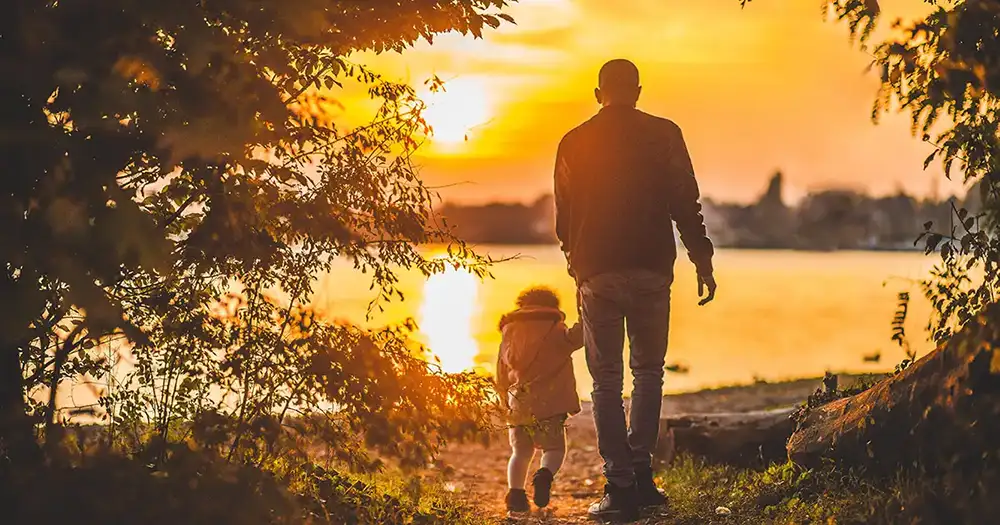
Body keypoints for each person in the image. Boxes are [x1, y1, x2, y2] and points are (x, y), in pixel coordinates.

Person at [554, 59, 717, 521]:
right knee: (649, 373)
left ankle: (620, 483)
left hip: (597, 271)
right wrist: (701, 257)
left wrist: (575, 260)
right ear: (638, 91)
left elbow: (564, 213)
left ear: (597, 92)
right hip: (650, 267)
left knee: (606, 380)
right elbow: (686, 200)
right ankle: (642, 475)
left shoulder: (573, 141)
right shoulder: (664, 134)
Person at [495, 287, 585, 514]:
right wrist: (585, 310)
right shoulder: (556, 329)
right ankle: (544, 476)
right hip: (551, 406)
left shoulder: (509, 332)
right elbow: (580, 337)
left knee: (520, 453)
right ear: (552, 307)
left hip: (518, 404)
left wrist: (503, 399)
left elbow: (500, 372)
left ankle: (515, 495)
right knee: (554, 449)